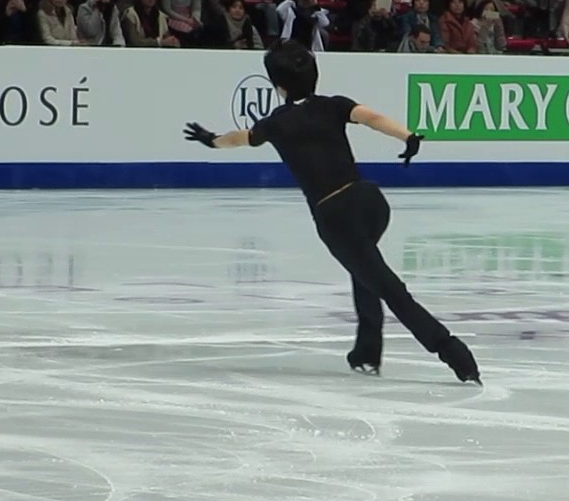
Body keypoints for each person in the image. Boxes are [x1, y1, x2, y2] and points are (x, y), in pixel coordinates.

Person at [182, 41, 482, 385]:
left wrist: (211, 140)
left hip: (336, 217)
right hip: (371, 202)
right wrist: (408, 136)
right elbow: (373, 118)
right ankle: (366, 352)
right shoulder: (334, 105)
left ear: (278, 86)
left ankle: (454, 353)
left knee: (390, 288)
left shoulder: (276, 123)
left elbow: (238, 139)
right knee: (365, 269)